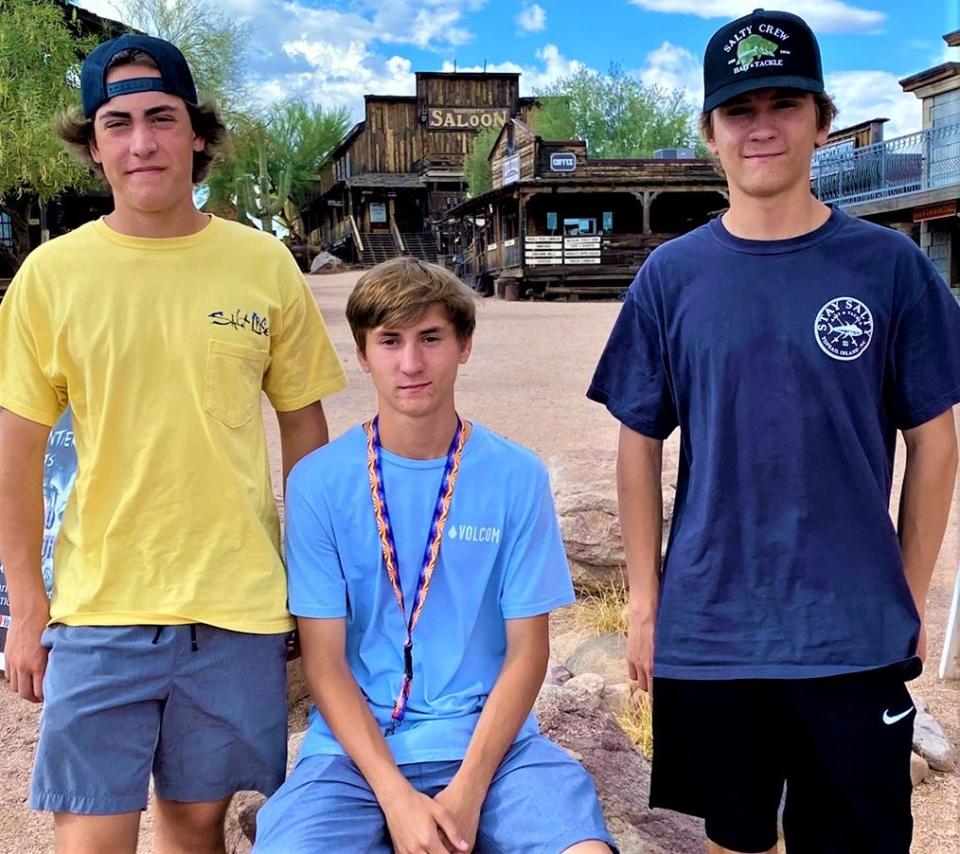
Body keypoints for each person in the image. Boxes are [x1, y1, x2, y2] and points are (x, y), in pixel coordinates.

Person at [587, 9, 960, 854]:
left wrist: (905, 587)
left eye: (784, 103)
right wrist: (646, 601)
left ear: (821, 121)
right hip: (715, 628)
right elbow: (638, 441)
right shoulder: (672, 277)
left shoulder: (889, 267)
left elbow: (936, 442)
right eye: (739, 109)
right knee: (735, 839)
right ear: (710, 131)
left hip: (852, 629)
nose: (762, 127)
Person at [0, 33, 346, 853]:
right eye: (116, 124)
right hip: (96, 611)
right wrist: (24, 605)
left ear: (199, 132)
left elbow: (305, 431)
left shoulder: (263, 266)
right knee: (91, 837)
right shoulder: (52, 277)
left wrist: (310, 577)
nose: (142, 142)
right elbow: (14, 452)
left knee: (197, 832)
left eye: (162, 117)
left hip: (233, 610)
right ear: (93, 147)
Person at [254, 257, 615, 854]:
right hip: (354, 755)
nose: (411, 363)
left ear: (464, 345)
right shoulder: (318, 482)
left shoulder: (515, 476)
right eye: (390, 341)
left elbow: (529, 650)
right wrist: (397, 799)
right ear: (363, 355)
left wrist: (469, 792)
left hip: (493, 749)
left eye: (431, 338)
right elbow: (324, 663)